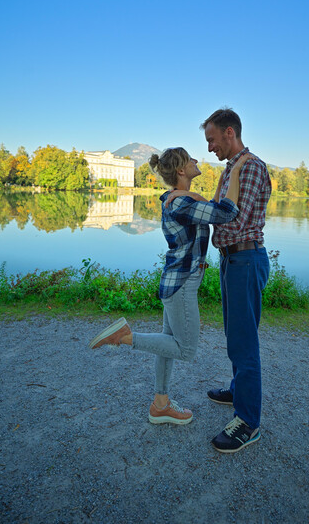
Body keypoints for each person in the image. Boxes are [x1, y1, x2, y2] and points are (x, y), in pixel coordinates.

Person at [89, 147, 251, 427]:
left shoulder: (182, 200)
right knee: (185, 349)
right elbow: (226, 213)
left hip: (176, 281)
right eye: (190, 160)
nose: (197, 160)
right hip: (183, 284)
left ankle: (160, 405)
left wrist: (206, 186)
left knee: (167, 344)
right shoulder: (180, 204)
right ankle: (125, 337)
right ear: (180, 170)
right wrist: (235, 171)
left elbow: (209, 206)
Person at [169, 108, 272, 453]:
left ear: (230, 132)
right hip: (232, 259)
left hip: (245, 257)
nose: (210, 147)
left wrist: (194, 207)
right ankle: (238, 389)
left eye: (212, 139)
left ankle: (248, 422)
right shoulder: (232, 169)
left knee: (244, 341)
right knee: (235, 333)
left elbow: (232, 217)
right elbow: (218, 207)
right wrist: (191, 200)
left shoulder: (251, 166)